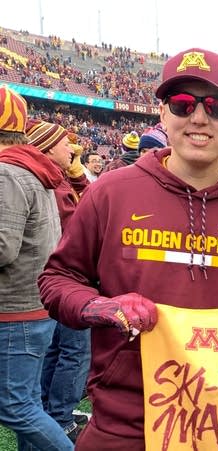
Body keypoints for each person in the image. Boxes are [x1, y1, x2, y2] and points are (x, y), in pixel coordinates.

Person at [38, 47, 218, 451]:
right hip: (124, 420)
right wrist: (103, 307)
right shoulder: (111, 193)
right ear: (164, 115)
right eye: (182, 104)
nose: (199, 118)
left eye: (216, 106)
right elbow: (57, 279)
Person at [0, 85, 74, 450]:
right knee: (26, 403)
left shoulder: (7, 173)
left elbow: (2, 247)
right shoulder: (29, 169)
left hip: (14, 310)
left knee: (15, 407)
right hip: (31, 305)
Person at [26, 121, 92, 444]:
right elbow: (88, 217)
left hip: (56, 279)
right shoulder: (50, 181)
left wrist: (78, 174)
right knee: (76, 351)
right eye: (65, 144)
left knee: (58, 349)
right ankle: (61, 418)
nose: (73, 149)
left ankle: (49, 409)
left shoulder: (52, 177)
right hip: (67, 278)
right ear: (49, 148)